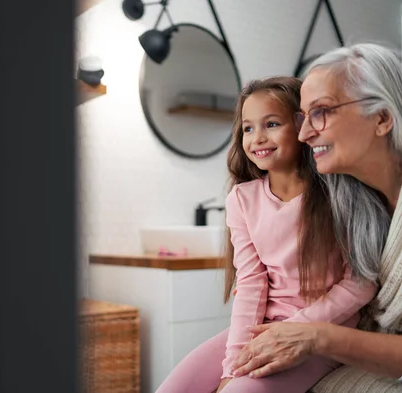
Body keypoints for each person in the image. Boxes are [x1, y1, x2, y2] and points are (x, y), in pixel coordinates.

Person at [155, 76, 377, 393]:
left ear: (303, 127)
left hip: (321, 334)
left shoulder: (338, 194)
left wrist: (292, 331)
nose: (257, 137)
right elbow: (250, 282)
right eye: (248, 128)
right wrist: (233, 363)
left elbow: (360, 284)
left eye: (271, 124)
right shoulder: (242, 199)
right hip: (264, 328)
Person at [229, 43, 402, 389]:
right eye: (302, 117)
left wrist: (313, 336)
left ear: (382, 118)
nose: (305, 134)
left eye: (321, 112)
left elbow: (357, 289)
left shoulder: (334, 201)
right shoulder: (359, 200)